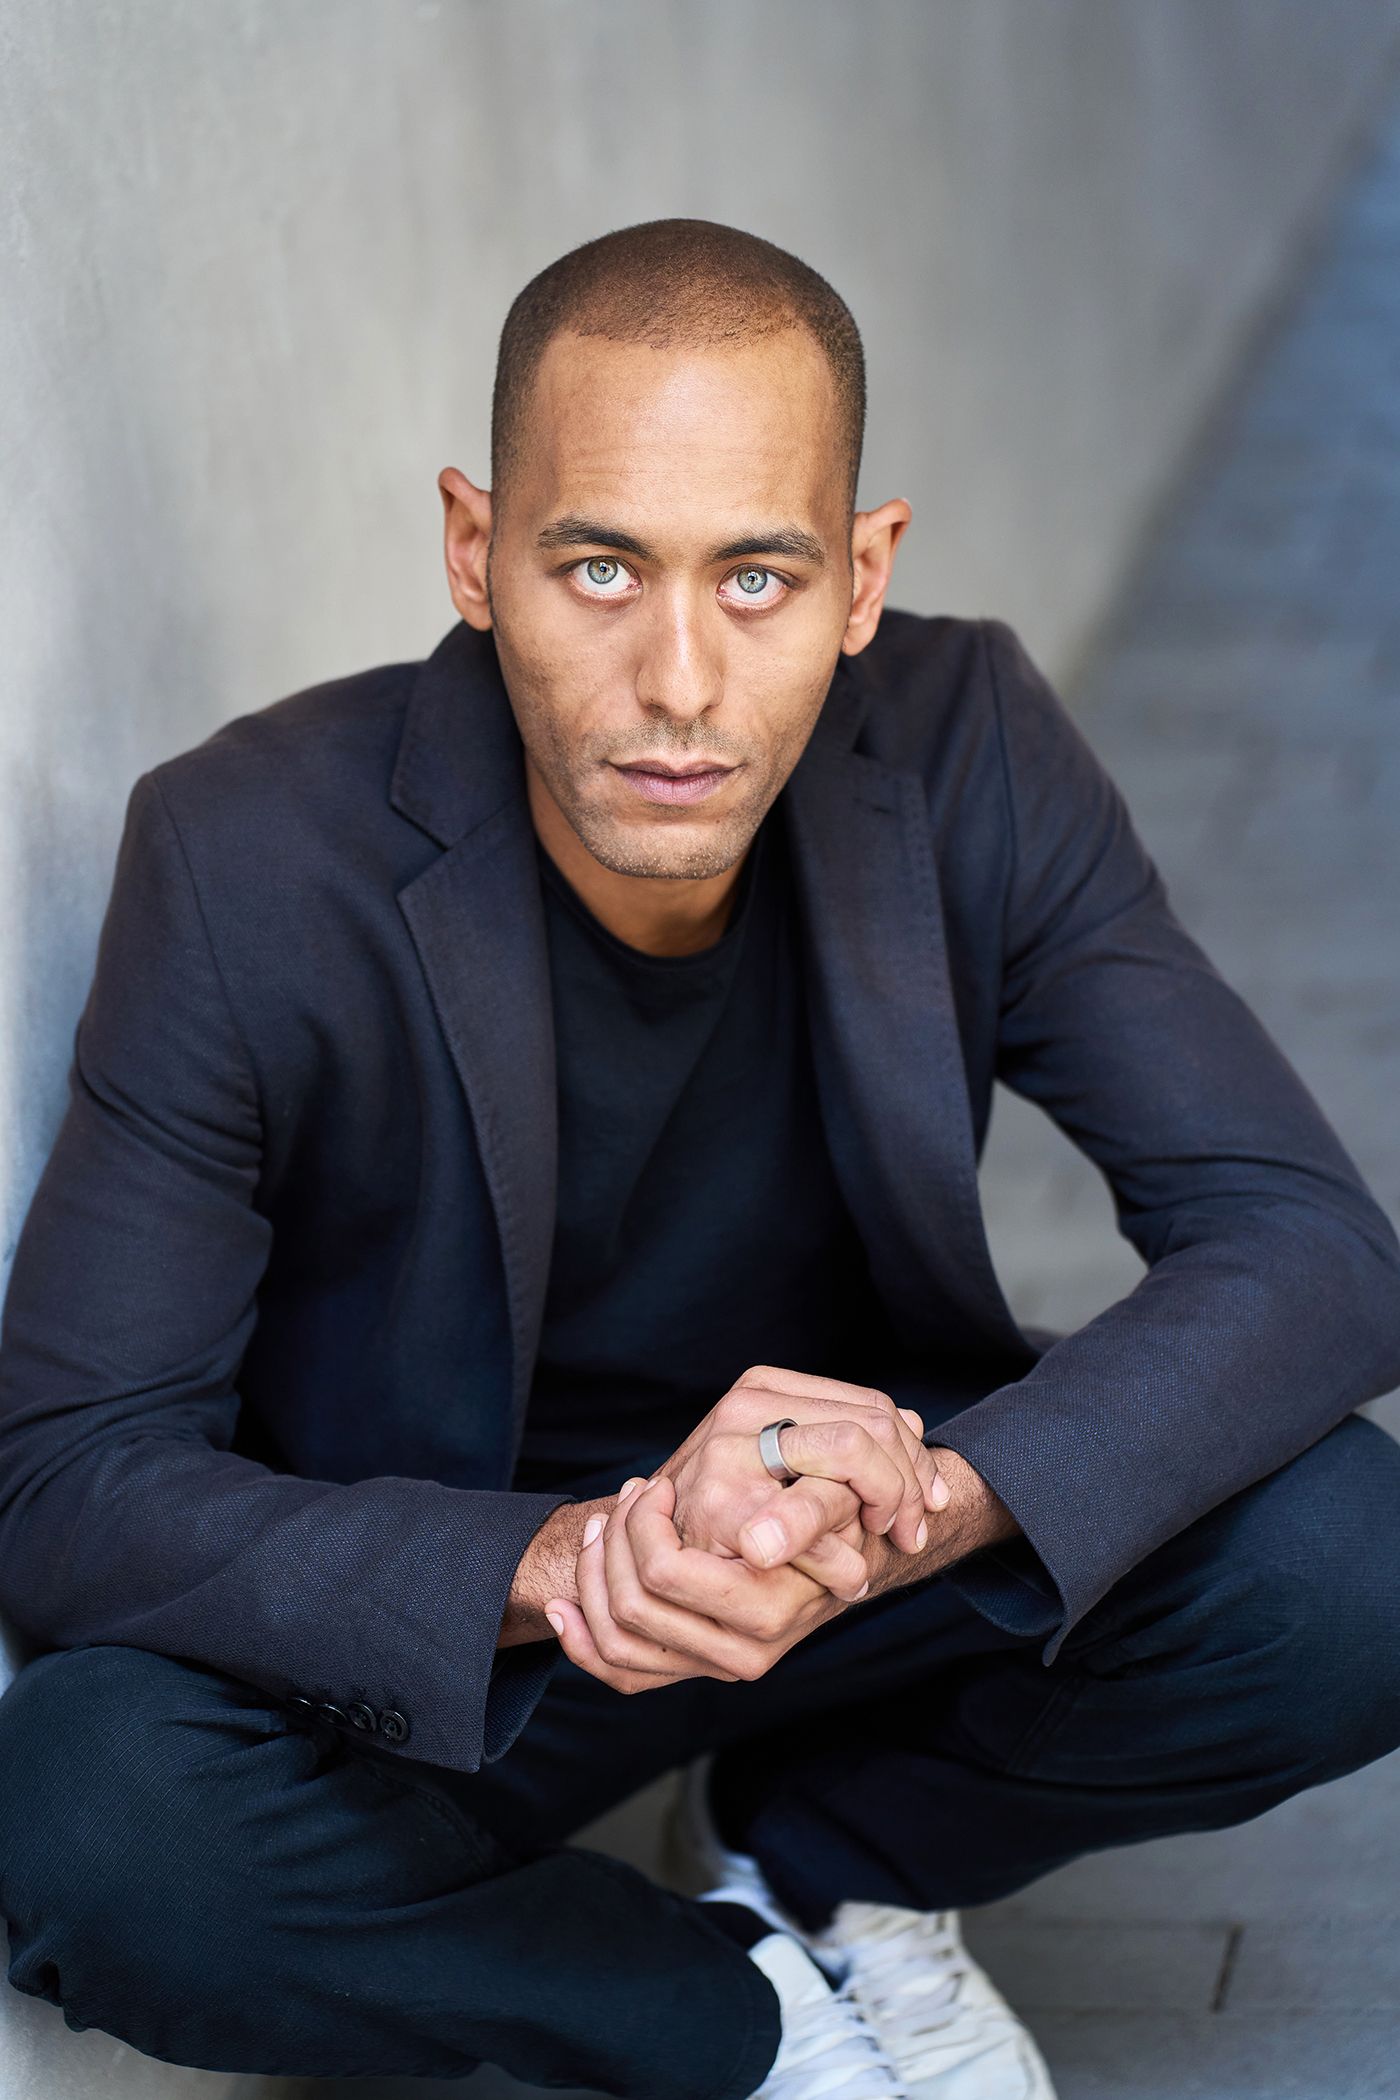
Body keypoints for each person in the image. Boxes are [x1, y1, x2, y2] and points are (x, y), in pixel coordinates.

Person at [1, 217, 1399, 2100]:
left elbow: (1308, 1243)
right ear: (474, 551)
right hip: (481, 1626)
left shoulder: (968, 745)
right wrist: (567, 1561)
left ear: (862, 576)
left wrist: (935, 1506)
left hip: (859, 1567)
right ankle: (730, 2010)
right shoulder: (245, 855)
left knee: (1351, 1562)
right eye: (599, 567)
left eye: (756, 576)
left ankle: (823, 1857)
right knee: (94, 1813)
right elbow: (68, 1481)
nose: (677, 680)